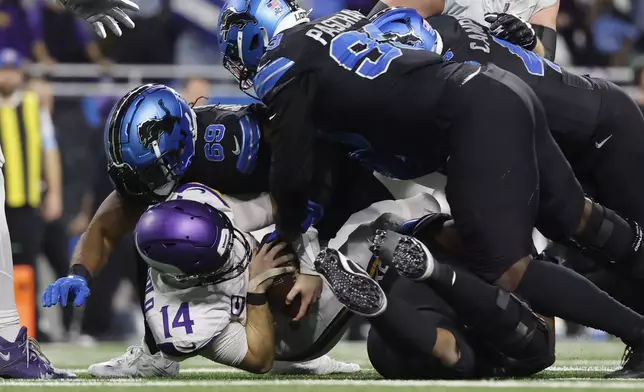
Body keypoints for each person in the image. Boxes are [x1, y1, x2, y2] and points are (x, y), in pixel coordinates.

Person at [217, 0, 644, 378]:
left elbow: (294, 170)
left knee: (508, 269)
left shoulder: (284, 68)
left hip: (472, 119)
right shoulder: (343, 23)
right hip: (497, 89)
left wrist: (288, 235)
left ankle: (638, 331)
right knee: (578, 217)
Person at [41, 84, 392, 377]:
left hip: (277, 217)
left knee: (283, 281)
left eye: (147, 172)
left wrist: (295, 227)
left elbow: (311, 156)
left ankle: (297, 348)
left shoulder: (236, 139)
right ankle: (156, 353)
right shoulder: (154, 168)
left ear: (178, 146)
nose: (142, 185)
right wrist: (79, 273)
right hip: (226, 236)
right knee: (155, 233)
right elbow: (104, 228)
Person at [371, 7, 644, 277]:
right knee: (523, 267)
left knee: (522, 267)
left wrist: (531, 41)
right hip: (516, 137)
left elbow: (544, 61)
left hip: (574, 128)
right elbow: (363, 41)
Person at [129, 184, 435, 374]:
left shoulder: (197, 203)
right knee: (381, 227)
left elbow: (278, 206)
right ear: (191, 276)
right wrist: (256, 289)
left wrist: (310, 265)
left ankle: (446, 224)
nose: (234, 251)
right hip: (288, 331)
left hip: (287, 261)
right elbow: (260, 359)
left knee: (395, 209)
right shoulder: (180, 323)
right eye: (222, 258)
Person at [316, 212, 555, 379]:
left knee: (464, 355)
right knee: (464, 359)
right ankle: (385, 305)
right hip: (419, 328)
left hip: (394, 335)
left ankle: (383, 305)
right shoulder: (511, 250)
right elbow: (542, 343)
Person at [0, 49, 72, 378]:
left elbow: (49, 149)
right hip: (5, 201)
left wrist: (54, 193)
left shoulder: (32, 105)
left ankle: (22, 333)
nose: (8, 76)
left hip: (26, 201)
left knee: (25, 269)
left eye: (13, 70)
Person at [367, 0, 559, 60]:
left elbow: (548, 63)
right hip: (428, 89)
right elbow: (365, 34)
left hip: (501, 97)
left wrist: (531, 43)